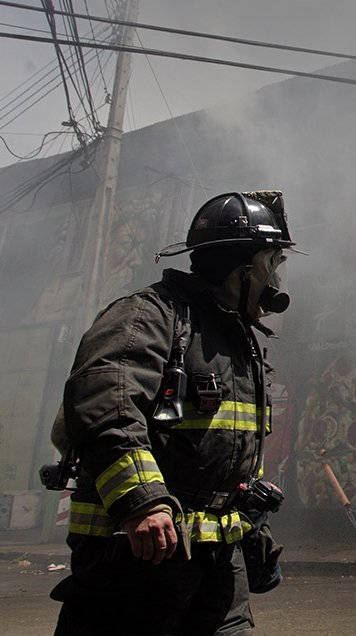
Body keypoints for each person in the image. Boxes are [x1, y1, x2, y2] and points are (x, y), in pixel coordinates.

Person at [51, 191, 298, 635]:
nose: (276, 280)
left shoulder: (236, 341)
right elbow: (107, 410)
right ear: (244, 268)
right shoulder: (148, 318)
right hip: (137, 558)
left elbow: (222, 448)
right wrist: (141, 503)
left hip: (219, 563)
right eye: (272, 263)